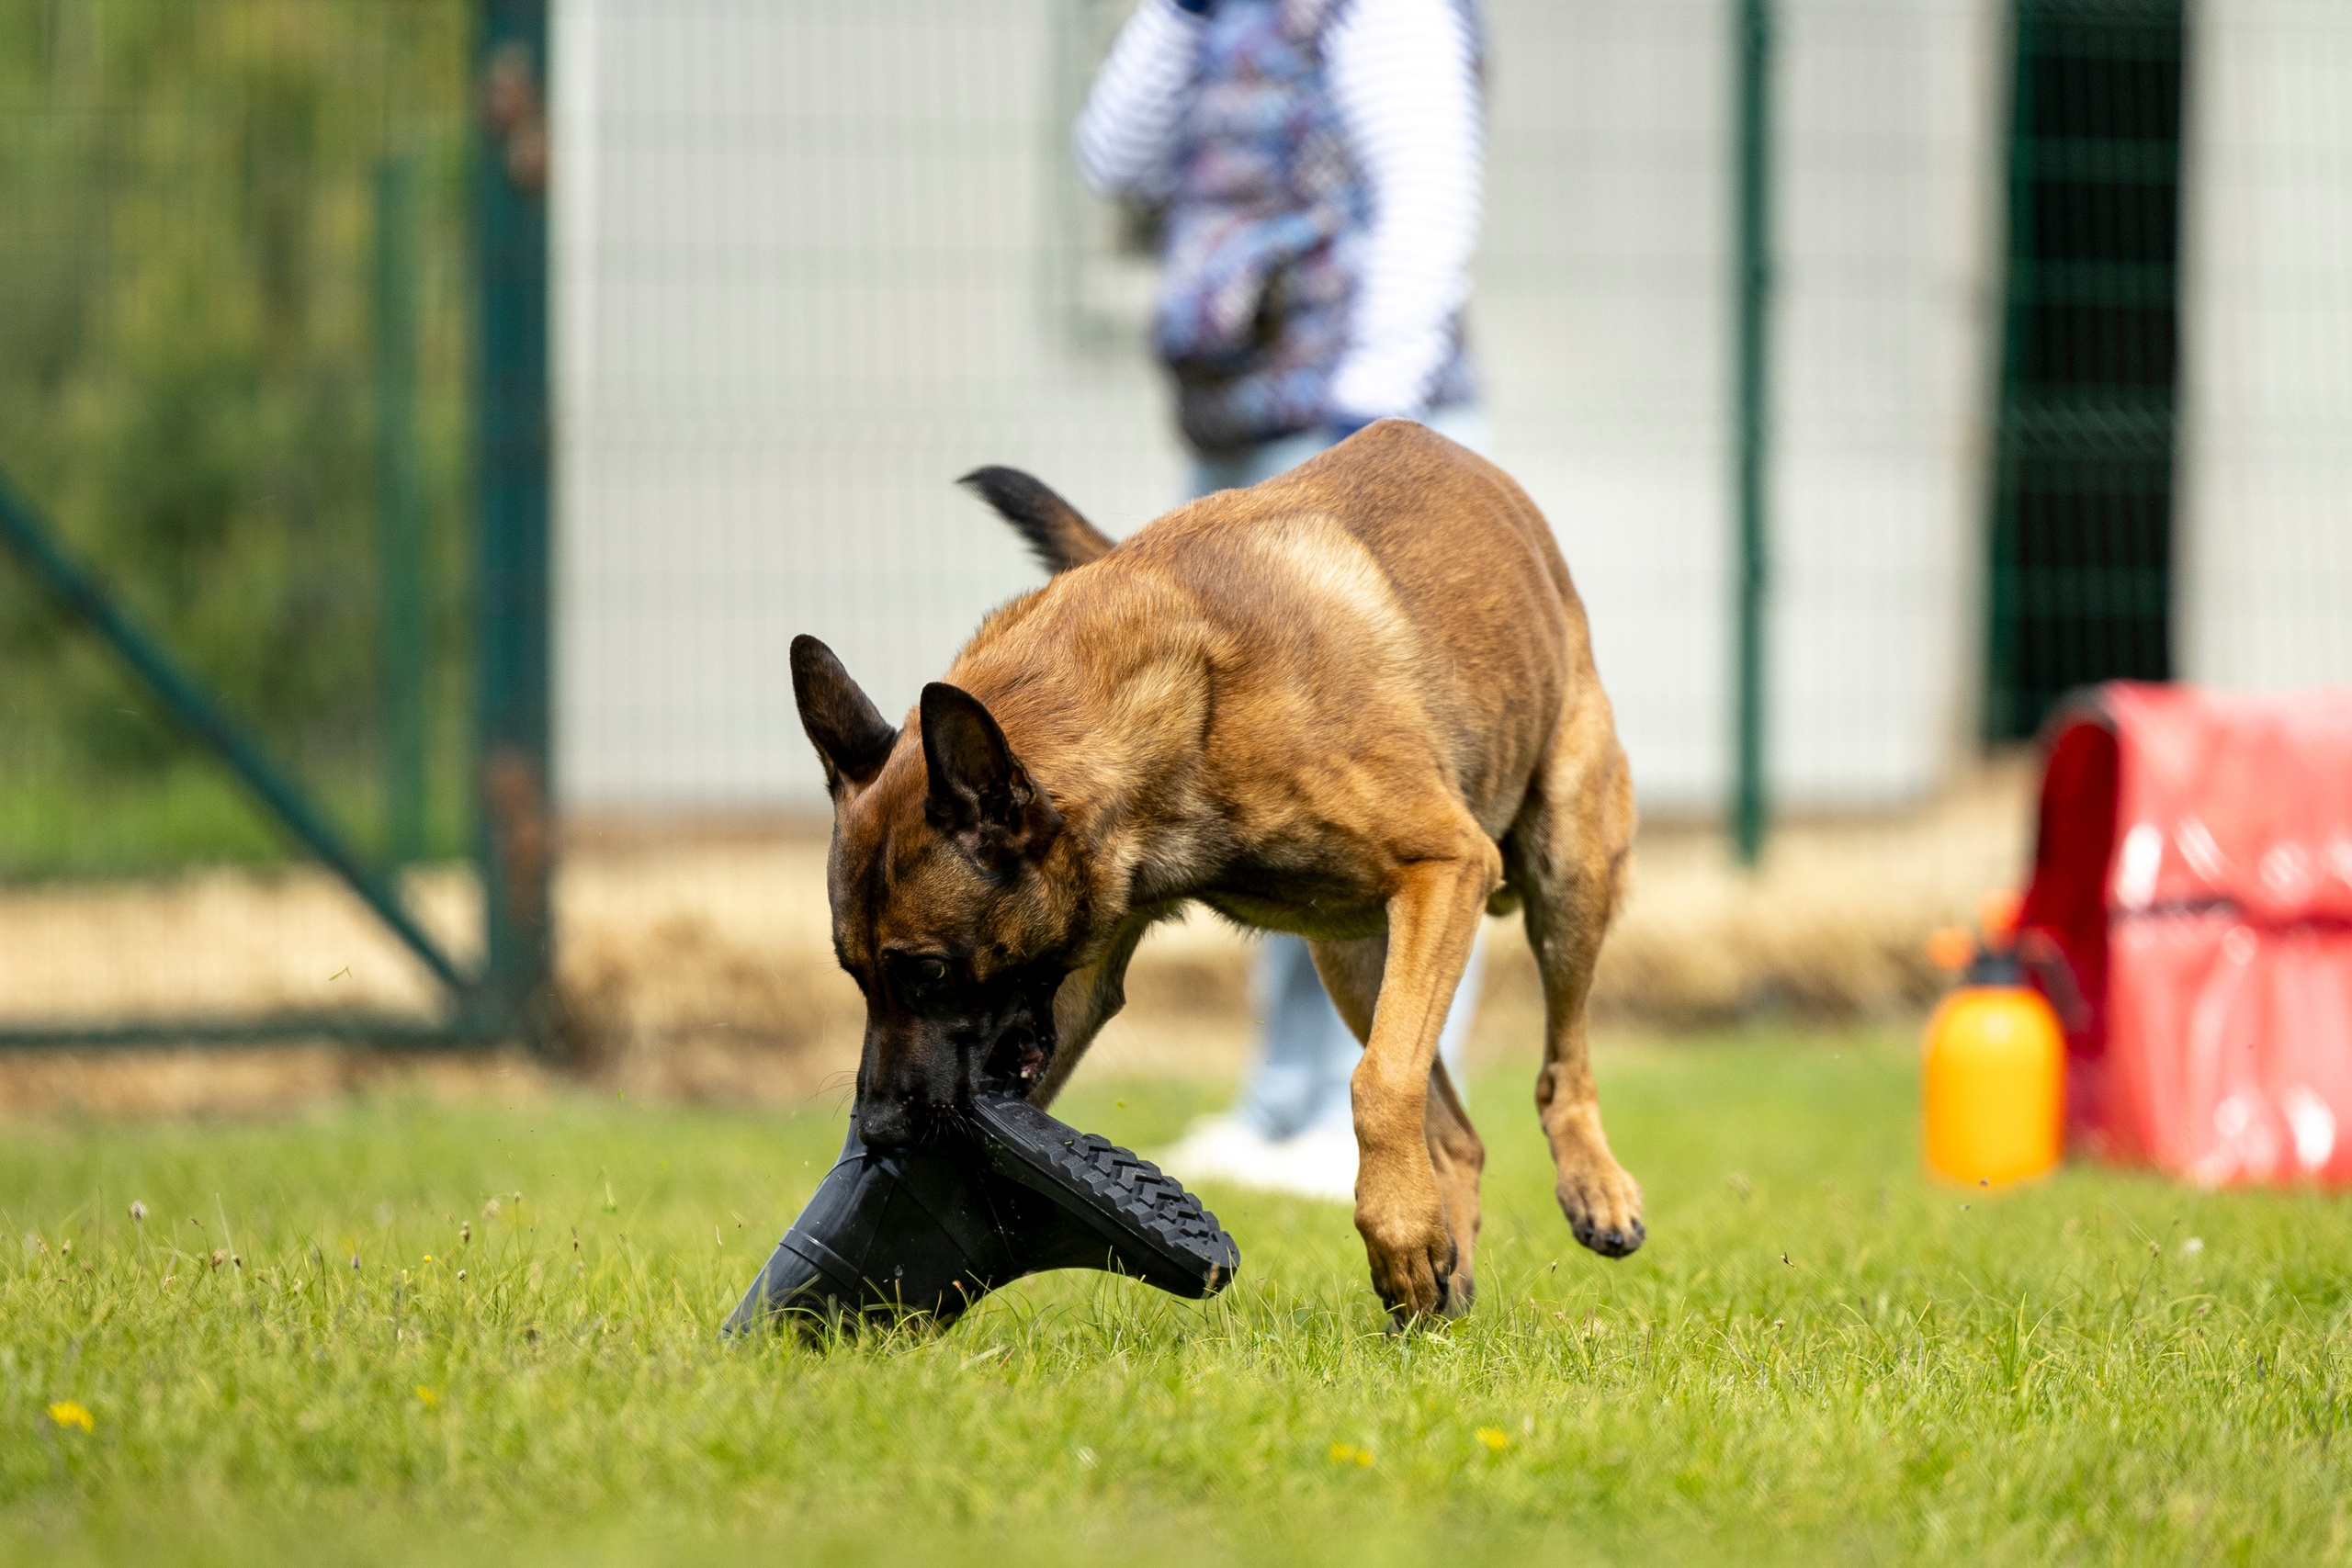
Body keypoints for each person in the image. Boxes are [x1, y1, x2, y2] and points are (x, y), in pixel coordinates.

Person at [1073, 0, 1489, 1201]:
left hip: (1356, 445)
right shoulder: (1209, 18)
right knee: (1256, 786)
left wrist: (1368, 441)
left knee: (1399, 809)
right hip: (1243, 439)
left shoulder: (1383, 15)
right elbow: (1115, 158)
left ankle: (1403, 1115)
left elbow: (1430, 202)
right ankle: (1287, 1105)